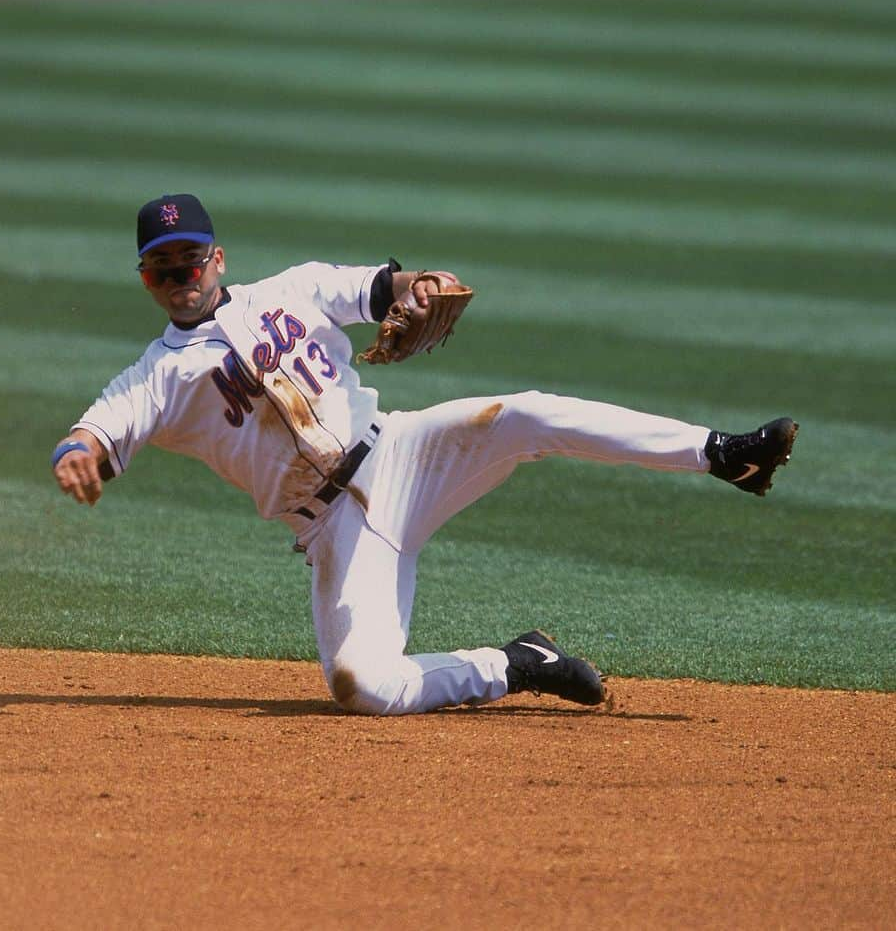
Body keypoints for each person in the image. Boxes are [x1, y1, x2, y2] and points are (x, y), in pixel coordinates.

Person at [51, 194, 798, 716]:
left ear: (218, 258)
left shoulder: (294, 287)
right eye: (161, 269)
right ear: (145, 280)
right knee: (359, 686)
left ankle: (724, 453)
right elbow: (98, 430)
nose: (180, 279)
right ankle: (514, 665)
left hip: (404, 453)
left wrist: (420, 285)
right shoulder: (154, 376)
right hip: (332, 531)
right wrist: (77, 455)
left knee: (527, 414)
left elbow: (387, 286)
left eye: (190, 260)